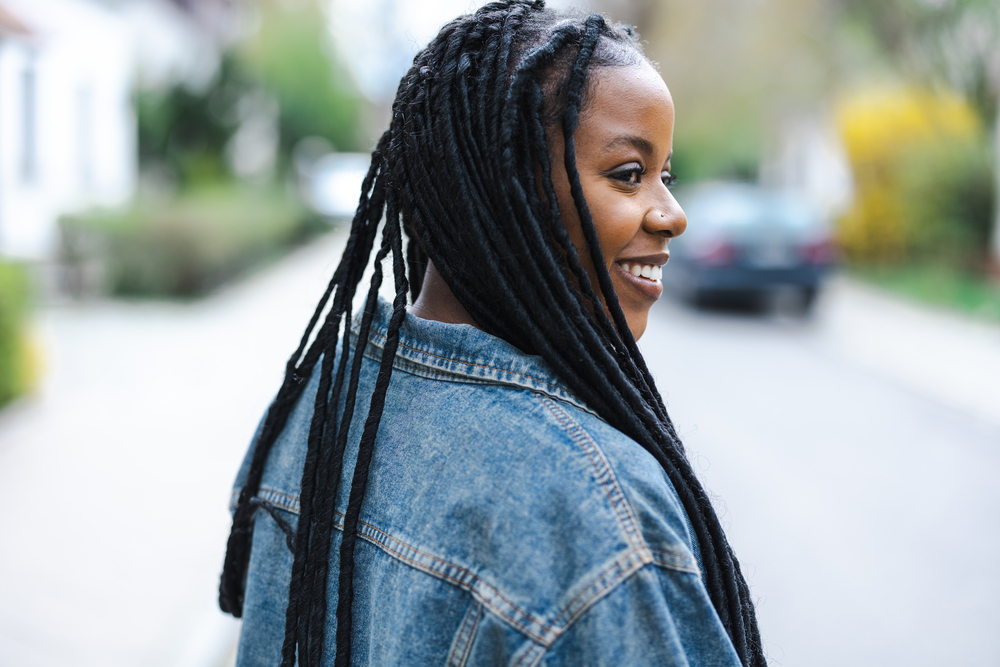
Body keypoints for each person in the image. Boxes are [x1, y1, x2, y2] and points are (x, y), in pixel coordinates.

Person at [219, 2, 766, 665]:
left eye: (665, 176)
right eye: (629, 173)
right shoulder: (596, 515)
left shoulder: (323, 403)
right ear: (506, 183)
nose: (673, 214)